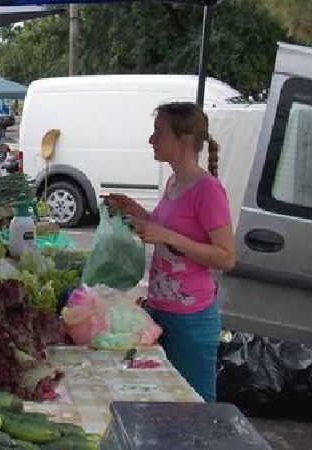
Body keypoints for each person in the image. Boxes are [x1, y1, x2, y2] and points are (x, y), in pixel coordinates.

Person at [108, 102, 236, 403]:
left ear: (184, 139)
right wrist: (135, 211)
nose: (151, 140)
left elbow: (226, 257)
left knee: (195, 405)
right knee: (164, 399)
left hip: (192, 321)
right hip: (160, 310)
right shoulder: (173, 182)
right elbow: (168, 231)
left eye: (158, 133)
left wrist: (165, 235)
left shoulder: (208, 190)